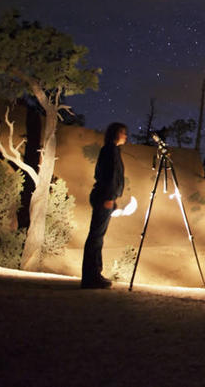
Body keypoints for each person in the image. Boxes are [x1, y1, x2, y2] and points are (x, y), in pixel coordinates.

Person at [81, 122, 127, 289]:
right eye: (122, 132)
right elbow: (108, 175)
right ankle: (91, 277)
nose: (125, 136)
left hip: (106, 197)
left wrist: (113, 197)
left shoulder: (112, 150)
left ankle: (94, 275)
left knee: (97, 236)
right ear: (115, 134)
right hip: (103, 197)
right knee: (96, 237)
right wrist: (109, 197)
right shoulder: (109, 150)